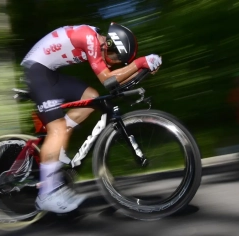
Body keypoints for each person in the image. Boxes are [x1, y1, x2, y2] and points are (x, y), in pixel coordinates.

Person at [20, 22, 162, 213]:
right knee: (58, 129)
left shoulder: (95, 41)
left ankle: (58, 145)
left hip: (49, 73)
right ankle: (46, 194)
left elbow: (114, 81)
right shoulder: (89, 37)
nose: (116, 63)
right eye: (118, 58)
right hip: (37, 70)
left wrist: (142, 70)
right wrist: (141, 62)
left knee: (91, 98)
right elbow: (109, 79)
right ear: (112, 45)